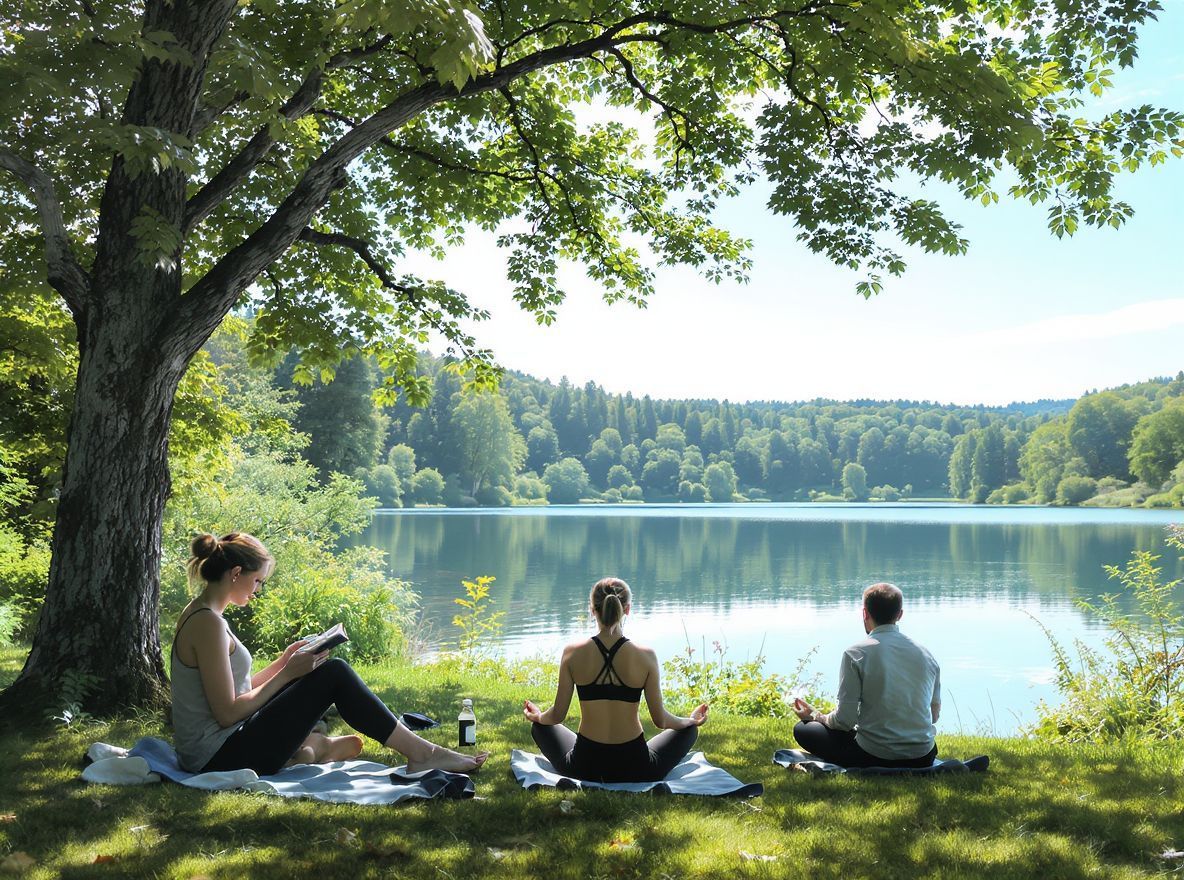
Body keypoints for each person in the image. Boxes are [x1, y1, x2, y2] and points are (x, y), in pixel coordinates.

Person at [171, 531, 488, 776]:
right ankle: (423, 754)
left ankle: (312, 750)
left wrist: (284, 661)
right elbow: (227, 713)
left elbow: (236, 690)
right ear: (236, 573)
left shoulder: (204, 615)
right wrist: (287, 673)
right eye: (258, 581)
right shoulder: (208, 625)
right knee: (334, 674)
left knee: (321, 676)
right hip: (217, 759)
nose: (258, 591)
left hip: (226, 745)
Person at [523, 577, 708, 783]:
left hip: (584, 766)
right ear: (627, 609)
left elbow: (557, 716)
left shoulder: (572, 654)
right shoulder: (645, 656)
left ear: (592, 609)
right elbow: (661, 720)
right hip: (637, 767)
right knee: (689, 731)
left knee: (540, 728)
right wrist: (690, 721)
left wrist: (539, 718)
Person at [790, 582, 940, 768]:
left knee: (803, 730)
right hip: (923, 755)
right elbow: (933, 716)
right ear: (900, 614)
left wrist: (815, 716)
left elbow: (845, 721)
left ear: (864, 613)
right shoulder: (926, 655)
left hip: (875, 755)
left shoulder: (856, 653)